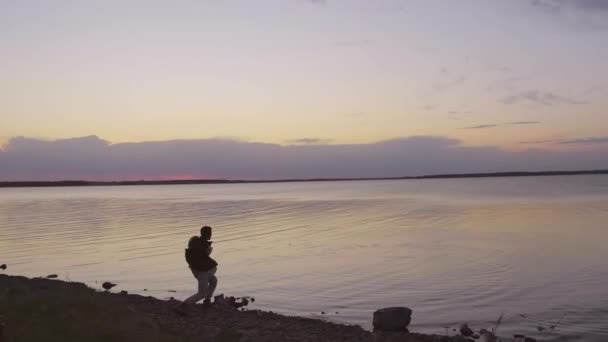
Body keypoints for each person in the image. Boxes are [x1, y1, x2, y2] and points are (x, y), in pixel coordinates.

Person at [175, 226, 218, 313]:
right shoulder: (204, 245)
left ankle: (207, 301)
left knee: (213, 280)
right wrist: (209, 250)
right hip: (201, 271)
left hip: (195, 269)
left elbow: (200, 256)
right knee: (201, 293)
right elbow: (204, 256)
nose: (211, 234)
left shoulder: (196, 241)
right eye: (210, 233)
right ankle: (182, 306)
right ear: (208, 234)